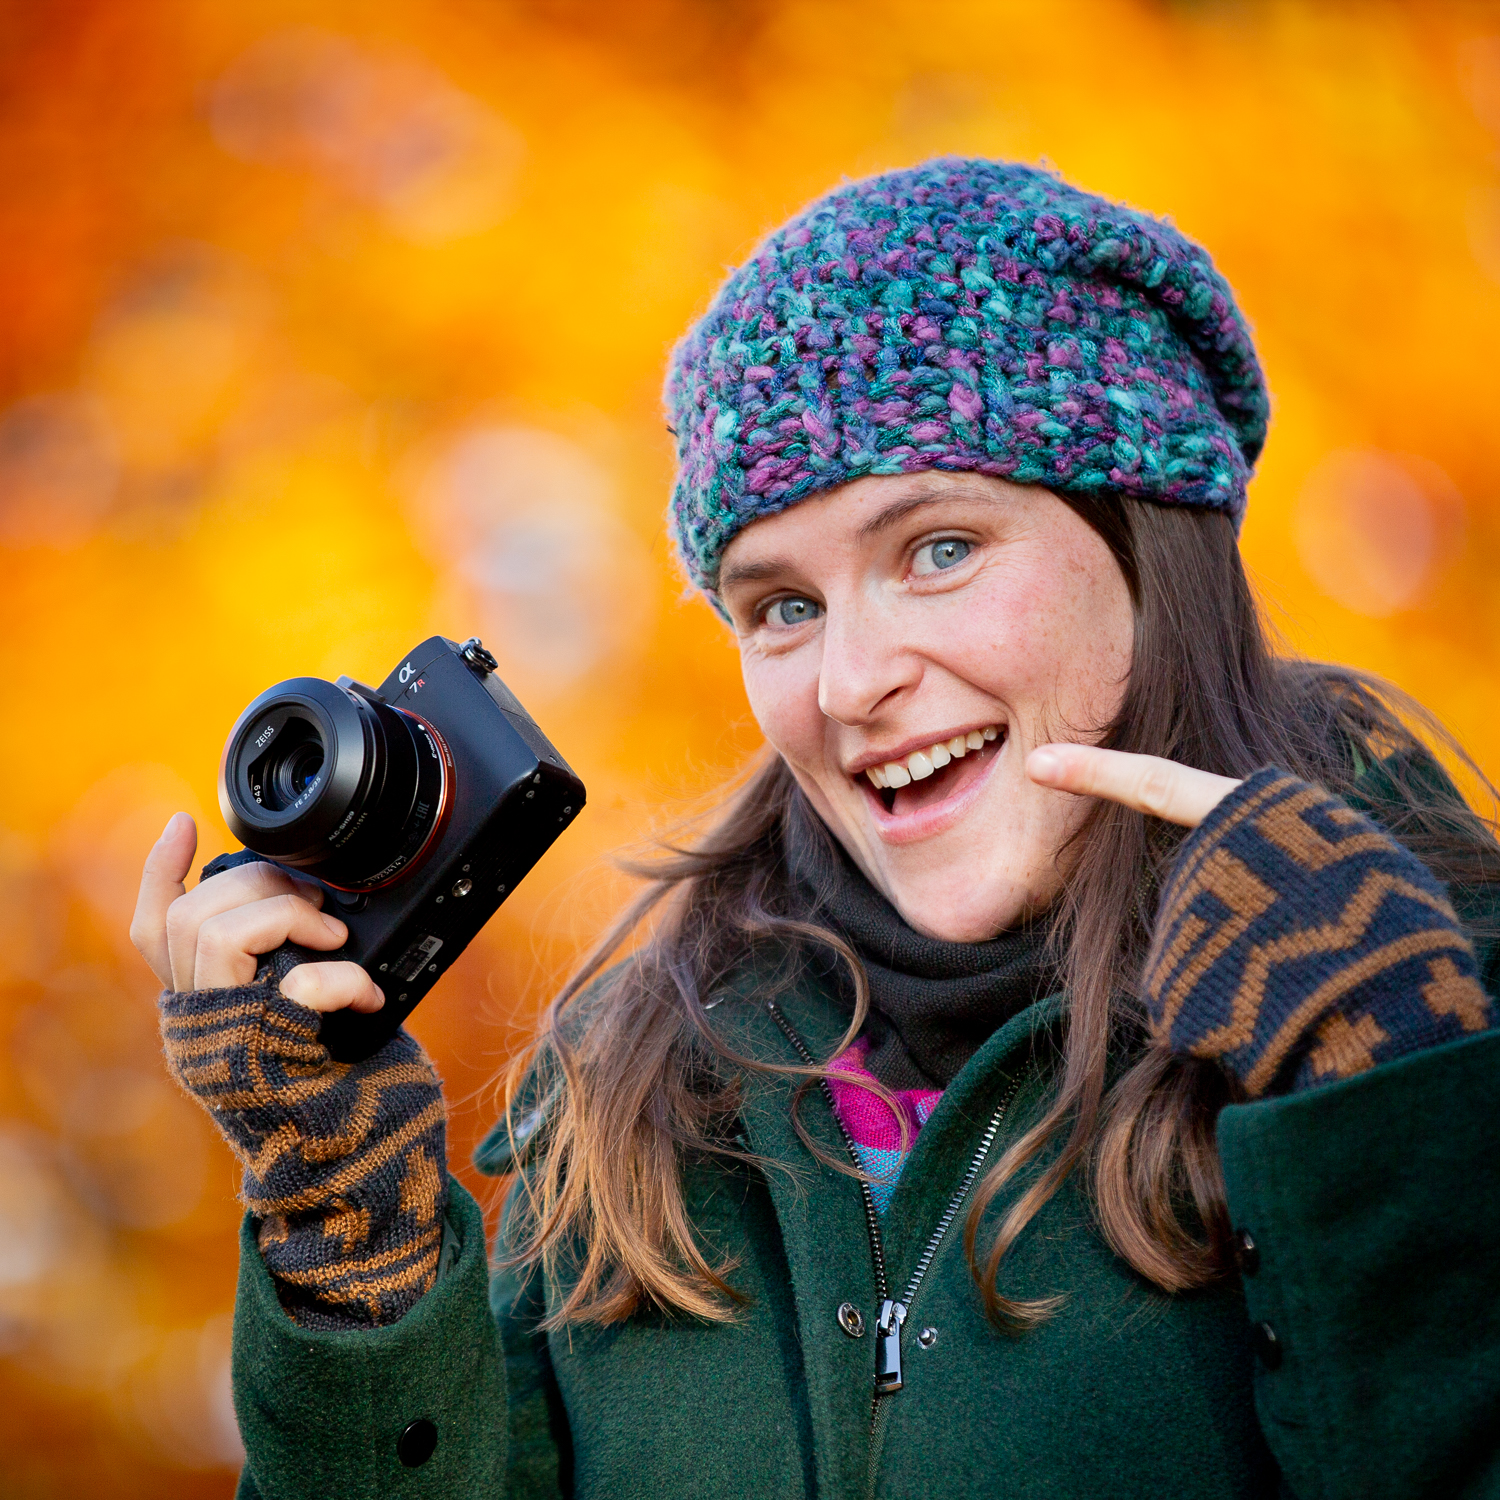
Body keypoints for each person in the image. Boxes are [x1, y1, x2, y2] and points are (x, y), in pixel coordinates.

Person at [131, 159, 1500, 1500]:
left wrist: (1392, 1116)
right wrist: (342, 1243)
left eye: (938, 550)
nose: (849, 683)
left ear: (1149, 545)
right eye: (780, 606)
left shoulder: (1436, 993)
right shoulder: (635, 1102)